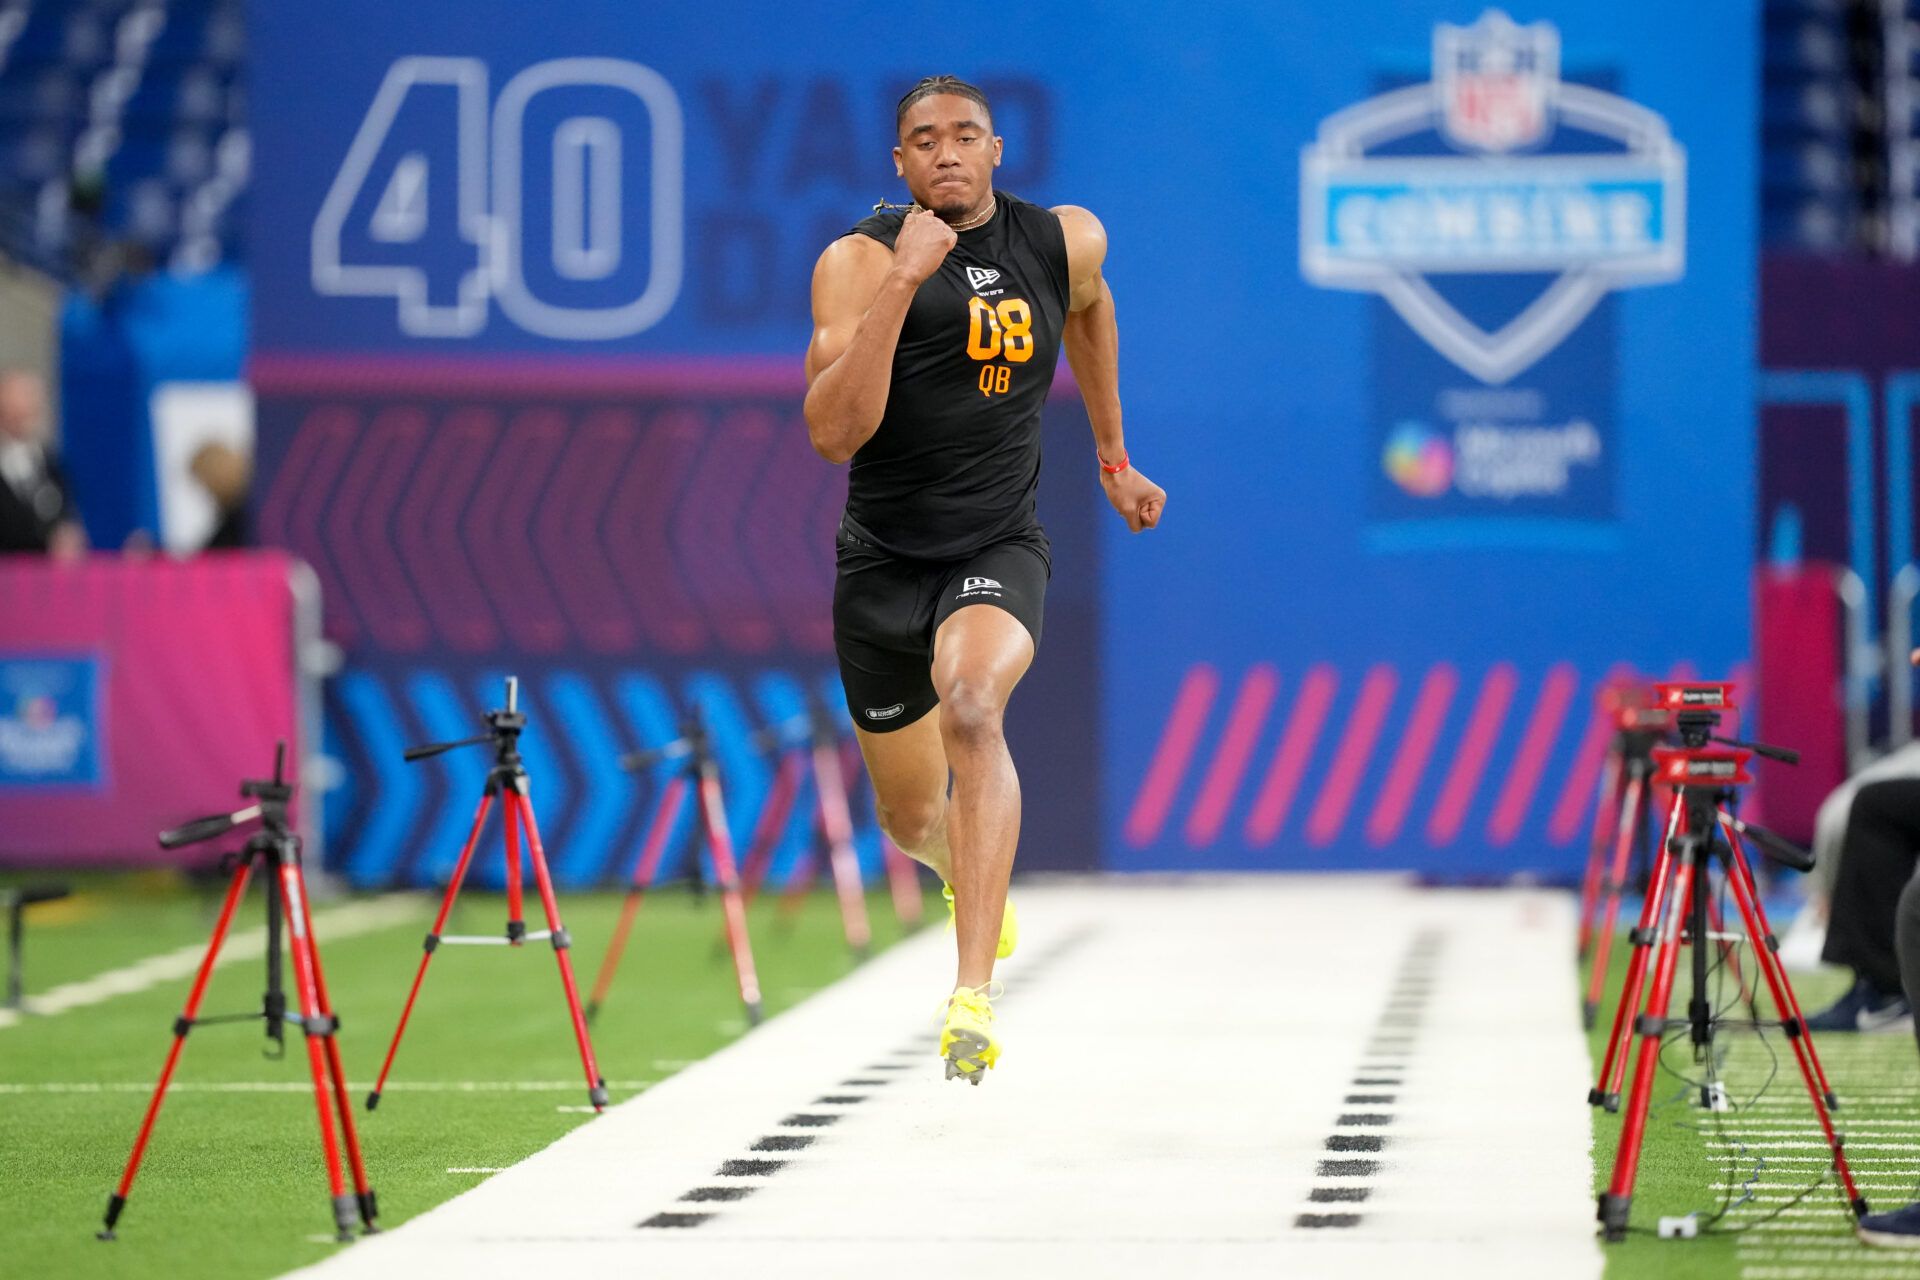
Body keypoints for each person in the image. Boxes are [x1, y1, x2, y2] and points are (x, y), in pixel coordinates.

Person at [803, 75, 1164, 1085]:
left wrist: (1112, 455)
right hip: (880, 564)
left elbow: (1089, 309)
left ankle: (970, 995)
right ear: (901, 165)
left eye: (967, 135)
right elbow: (834, 433)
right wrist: (900, 285)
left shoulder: (1061, 239)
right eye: (926, 140)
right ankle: (967, 876)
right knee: (912, 819)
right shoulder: (856, 260)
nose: (947, 152)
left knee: (972, 705)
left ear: (997, 150)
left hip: (995, 546)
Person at [0, 368, 85, 559]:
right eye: (22, 397)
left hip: (44, 580)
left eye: (34, 397)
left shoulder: (51, 465)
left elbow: (65, 517)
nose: (30, 406)